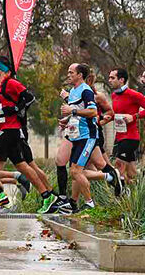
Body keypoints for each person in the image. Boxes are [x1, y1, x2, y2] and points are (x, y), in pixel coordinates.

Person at [0, 56, 48, 212]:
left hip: (11, 129)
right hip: (2, 129)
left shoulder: (11, 83)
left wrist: (14, 109)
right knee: (22, 167)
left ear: (3, 69)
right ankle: (48, 196)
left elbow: (29, 98)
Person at [59, 62, 101, 212]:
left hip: (87, 136)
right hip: (76, 136)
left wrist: (73, 111)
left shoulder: (86, 90)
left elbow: (92, 112)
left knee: (76, 171)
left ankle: (90, 203)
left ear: (80, 75)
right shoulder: (73, 91)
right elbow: (75, 113)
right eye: (68, 72)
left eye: (71, 72)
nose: (68, 75)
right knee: (75, 171)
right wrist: (66, 120)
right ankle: (73, 203)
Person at [108, 68, 145, 183]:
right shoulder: (114, 95)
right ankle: (137, 195)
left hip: (130, 138)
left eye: (112, 78)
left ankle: (118, 198)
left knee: (118, 167)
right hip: (119, 137)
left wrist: (134, 116)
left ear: (121, 80)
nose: (109, 80)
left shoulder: (133, 94)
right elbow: (118, 114)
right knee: (131, 174)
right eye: (109, 77)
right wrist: (108, 118)